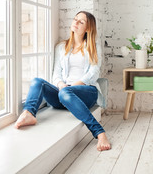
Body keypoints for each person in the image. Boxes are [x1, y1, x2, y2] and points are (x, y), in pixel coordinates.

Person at [15, 11, 111, 151]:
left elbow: (93, 73)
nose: (76, 23)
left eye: (81, 22)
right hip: (64, 94)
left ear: (88, 29)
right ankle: (29, 113)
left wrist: (70, 87)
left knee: (65, 93)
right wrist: (61, 85)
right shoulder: (61, 47)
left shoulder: (93, 47)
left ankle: (99, 132)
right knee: (37, 82)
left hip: (86, 92)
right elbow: (57, 73)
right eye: (75, 19)